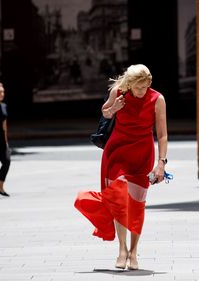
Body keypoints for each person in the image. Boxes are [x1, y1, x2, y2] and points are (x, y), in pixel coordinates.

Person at [74, 64, 168, 270]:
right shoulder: (118, 92)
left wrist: (161, 163)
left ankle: (134, 252)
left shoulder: (157, 99)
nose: (142, 91)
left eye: (145, 86)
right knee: (118, 200)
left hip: (142, 154)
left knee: (136, 204)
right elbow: (105, 113)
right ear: (130, 83)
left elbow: (162, 134)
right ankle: (122, 249)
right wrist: (114, 108)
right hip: (116, 153)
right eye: (138, 87)